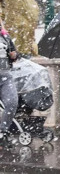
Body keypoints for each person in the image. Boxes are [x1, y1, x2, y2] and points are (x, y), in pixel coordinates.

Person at [0, 16, 18, 149]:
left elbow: (15, 53)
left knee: (12, 102)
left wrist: (14, 55)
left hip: (5, 76)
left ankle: (3, 132)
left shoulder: (5, 37)